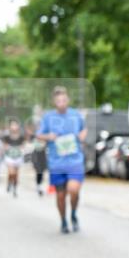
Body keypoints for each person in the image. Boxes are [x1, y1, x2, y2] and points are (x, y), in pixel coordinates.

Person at [36, 86, 88, 233]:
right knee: (60, 195)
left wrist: (82, 135)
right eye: (58, 100)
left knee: (73, 189)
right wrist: (48, 136)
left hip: (75, 160)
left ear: (68, 100)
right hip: (57, 162)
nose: (62, 103)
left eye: (64, 100)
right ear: (54, 102)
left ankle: (73, 214)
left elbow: (84, 129)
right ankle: (64, 220)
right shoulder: (48, 117)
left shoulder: (75, 115)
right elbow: (39, 135)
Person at [3, 120, 27, 197]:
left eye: (15, 125)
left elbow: (24, 144)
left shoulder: (21, 136)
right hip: (9, 156)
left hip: (18, 156)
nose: (14, 127)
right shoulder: (7, 136)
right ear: (10, 127)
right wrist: (7, 148)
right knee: (11, 173)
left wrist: (21, 148)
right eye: (12, 125)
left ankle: (14, 189)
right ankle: (9, 182)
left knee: (16, 174)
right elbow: (4, 145)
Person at [28, 123, 48, 196]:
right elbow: (30, 143)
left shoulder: (45, 136)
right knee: (38, 171)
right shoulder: (33, 136)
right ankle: (38, 186)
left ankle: (39, 184)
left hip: (42, 155)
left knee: (42, 171)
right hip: (36, 155)